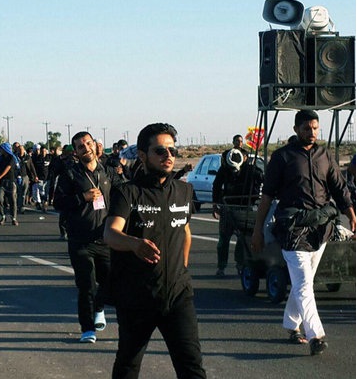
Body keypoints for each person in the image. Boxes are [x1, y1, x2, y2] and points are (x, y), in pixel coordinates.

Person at [104, 123, 206, 379]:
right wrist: (134, 244)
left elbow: (185, 232)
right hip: (137, 296)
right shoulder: (128, 193)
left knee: (191, 365)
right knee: (128, 364)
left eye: (172, 150)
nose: (168, 156)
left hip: (178, 295)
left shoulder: (184, 191)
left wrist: (180, 270)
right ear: (142, 155)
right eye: (160, 151)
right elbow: (110, 233)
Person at [251, 110, 355, 356]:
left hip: (320, 228)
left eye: (316, 128)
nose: (312, 132)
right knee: (303, 283)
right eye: (307, 128)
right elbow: (266, 197)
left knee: (303, 283)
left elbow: (339, 188)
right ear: (297, 129)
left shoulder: (324, 155)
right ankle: (316, 335)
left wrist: (351, 214)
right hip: (292, 228)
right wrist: (257, 231)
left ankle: (290, 324)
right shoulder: (282, 157)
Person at [53, 132, 113, 343]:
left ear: (95, 145)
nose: (85, 148)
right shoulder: (70, 175)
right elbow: (58, 203)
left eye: (88, 143)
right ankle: (87, 329)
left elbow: (125, 194)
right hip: (80, 240)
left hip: (105, 239)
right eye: (80, 146)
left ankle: (99, 309)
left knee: (109, 282)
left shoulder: (108, 172)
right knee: (87, 284)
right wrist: (83, 197)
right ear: (76, 153)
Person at [211, 147, 264, 277]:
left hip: (246, 209)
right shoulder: (224, 170)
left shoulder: (252, 170)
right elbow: (216, 186)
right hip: (228, 208)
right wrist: (215, 205)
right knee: (224, 239)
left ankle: (240, 265)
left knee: (243, 239)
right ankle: (221, 266)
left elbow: (264, 180)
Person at [0, 142, 20, 226]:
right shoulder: (0, 158)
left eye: (1, 148)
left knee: (12, 200)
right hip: (1, 183)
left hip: (10, 181)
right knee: (0, 199)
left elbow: (8, 168)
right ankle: (3, 216)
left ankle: (14, 218)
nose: (0, 150)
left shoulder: (11, 157)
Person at [16, 145, 36, 214]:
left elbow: (31, 166)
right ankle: (20, 206)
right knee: (19, 192)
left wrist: (35, 175)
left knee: (24, 192)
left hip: (25, 176)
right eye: (19, 149)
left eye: (22, 149)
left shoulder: (27, 157)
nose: (21, 150)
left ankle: (22, 205)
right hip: (17, 177)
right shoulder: (15, 157)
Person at [31, 145, 51, 212]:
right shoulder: (36, 158)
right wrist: (35, 176)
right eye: (42, 151)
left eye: (44, 151)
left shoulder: (49, 157)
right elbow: (33, 168)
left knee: (46, 193)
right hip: (39, 178)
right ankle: (39, 203)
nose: (43, 152)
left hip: (47, 178)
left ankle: (44, 205)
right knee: (40, 192)